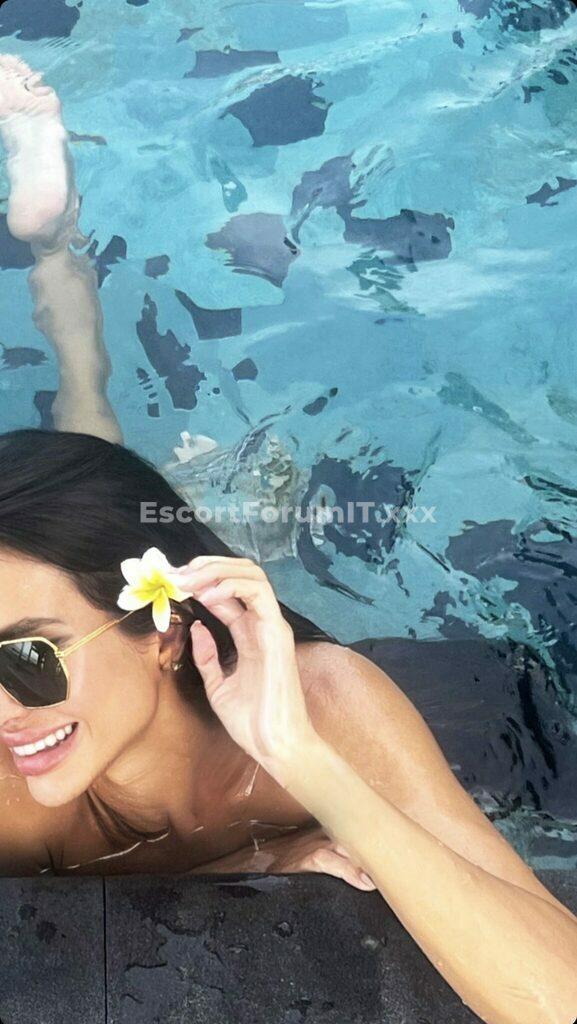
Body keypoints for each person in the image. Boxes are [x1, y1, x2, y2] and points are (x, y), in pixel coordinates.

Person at [0, 56, 576, 1024]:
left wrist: (302, 759)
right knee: (81, 495)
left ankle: (53, 239)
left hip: (274, 662)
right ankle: (52, 241)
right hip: (127, 596)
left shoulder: (327, 702)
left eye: (27, 658)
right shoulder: (18, 784)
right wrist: (261, 860)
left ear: (162, 634)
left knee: (90, 461)